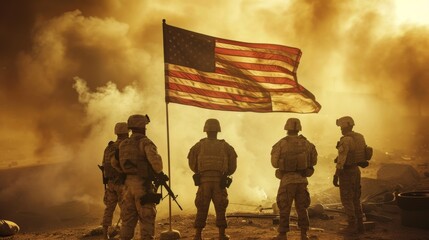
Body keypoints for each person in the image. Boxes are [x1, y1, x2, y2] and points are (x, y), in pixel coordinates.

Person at [116, 114, 165, 240]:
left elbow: (114, 161)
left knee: (127, 220)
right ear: (142, 127)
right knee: (147, 219)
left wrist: (125, 172)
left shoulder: (123, 144)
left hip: (127, 186)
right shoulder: (145, 142)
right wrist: (159, 173)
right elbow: (156, 163)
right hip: (142, 186)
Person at [188, 118, 237, 240]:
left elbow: (192, 163)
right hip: (219, 182)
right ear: (218, 130)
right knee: (221, 207)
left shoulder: (198, 146)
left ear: (205, 130)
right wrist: (225, 174)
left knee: (202, 207)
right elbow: (232, 166)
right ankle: (222, 234)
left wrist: (201, 173)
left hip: (204, 182)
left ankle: (198, 235)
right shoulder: (226, 146)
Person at [271, 118, 317, 240]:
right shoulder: (307, 144)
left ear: (287, 128)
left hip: (287, 181)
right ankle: (304, 234)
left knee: (284, 207)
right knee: (302, 208)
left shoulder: (281, 143)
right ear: (299, 128)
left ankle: (282, 234)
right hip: (302, 181)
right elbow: (314, 161)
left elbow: (274, 163)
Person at [332, 116, 369, 234]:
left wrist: (336, 175)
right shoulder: (360, 137)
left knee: (346, 199)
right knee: (356, 199)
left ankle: (352, 226)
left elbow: (341, 160)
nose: (340, 130)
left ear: (344, 126)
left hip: (347, 172)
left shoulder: (346, 140)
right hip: (356, 170)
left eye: (341, 127)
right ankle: (360, 225)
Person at [100, 122, 129, 239]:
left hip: (110, 183)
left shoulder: (109, 148)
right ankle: (125, 234)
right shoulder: (126, 146)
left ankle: (104, 233)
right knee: (126, 210)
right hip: (122, 183)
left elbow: (103, 165)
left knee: (109, 209)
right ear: (127, 132)